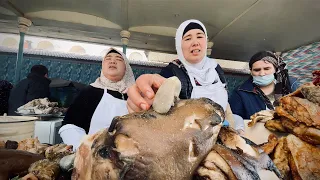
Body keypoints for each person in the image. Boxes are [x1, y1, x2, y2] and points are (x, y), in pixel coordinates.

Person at [126, 19, 229, 117]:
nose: (195, 42)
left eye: (200, 37)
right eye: (188, 38)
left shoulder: (216, 68)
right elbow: (161, 89)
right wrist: (147, 97)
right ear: (179, 46)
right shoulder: (172, 71)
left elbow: (225, 104)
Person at [59, 48, 135, 150]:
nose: (113, 61)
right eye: (108, 58)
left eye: (119, 59)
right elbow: (70, 125)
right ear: (102, 66)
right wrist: (83, 147)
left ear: (126, 68)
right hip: (94, 155)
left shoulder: (135, 94)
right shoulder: (90, 92)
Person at [229, 51, 299, 122]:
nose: (262, 73)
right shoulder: (241, 92)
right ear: (251, 71)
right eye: (257, 70)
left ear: (275, 69)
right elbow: (234, 118)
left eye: (267, 69)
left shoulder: (290, 85)